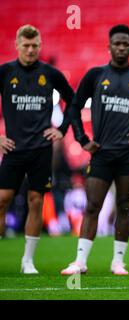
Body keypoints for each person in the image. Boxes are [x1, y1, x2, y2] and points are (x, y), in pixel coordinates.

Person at [61, 24, 129, 275]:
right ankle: (80, 262)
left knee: (124, 205)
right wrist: (82, 138)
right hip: (101, 152)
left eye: (126, 44)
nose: (122, 48)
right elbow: (73, 107)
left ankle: (118, 262)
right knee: (93, 205)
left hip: (128, 154)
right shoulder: (95, 75)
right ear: (109, 46)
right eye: (117, 43)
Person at [0, 25, 74, 273]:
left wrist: (62, 129)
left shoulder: (50, 74)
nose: (31, 50)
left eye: (35, 45)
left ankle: (27, 260)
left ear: (40, 46)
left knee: (36, 200)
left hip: (41, 149)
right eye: (26, 45)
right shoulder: (5, 72)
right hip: (13, 148)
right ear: (17, 45)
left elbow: (74, 100)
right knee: (3, 199)